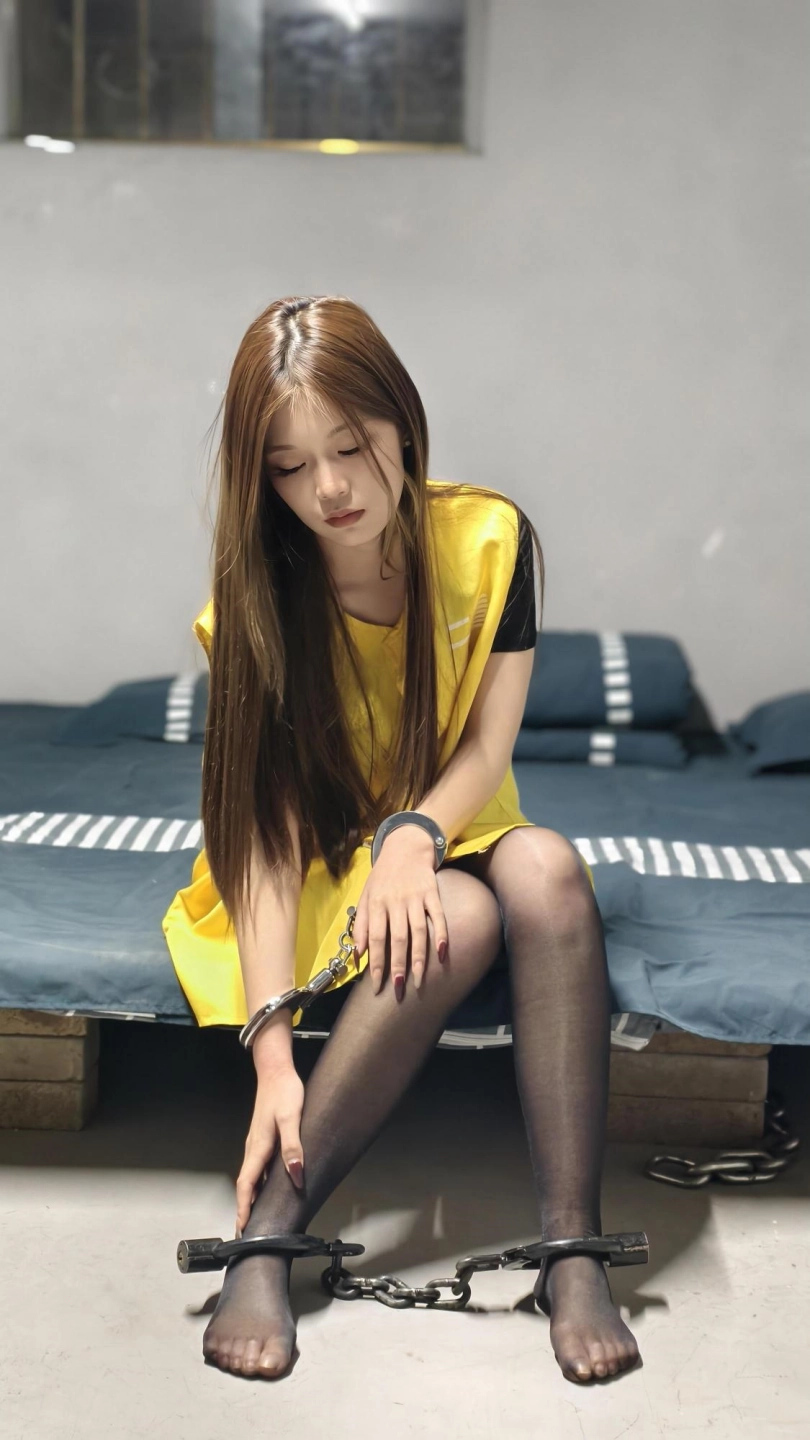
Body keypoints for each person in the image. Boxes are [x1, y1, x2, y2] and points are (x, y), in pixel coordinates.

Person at [161, 294, 641, 1384]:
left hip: (455, 817)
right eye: (290, 467)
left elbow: (488, 745)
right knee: (462, 914)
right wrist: (273, 1055)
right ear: (260, 478)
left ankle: (573, 1252)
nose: (329, 488)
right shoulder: (253, 604)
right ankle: (267, 1238)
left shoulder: (491, 538)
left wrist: (416, 835)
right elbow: (267, 840)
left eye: (351, 446)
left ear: (402, 422)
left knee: (547, 868)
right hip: (323, 856)